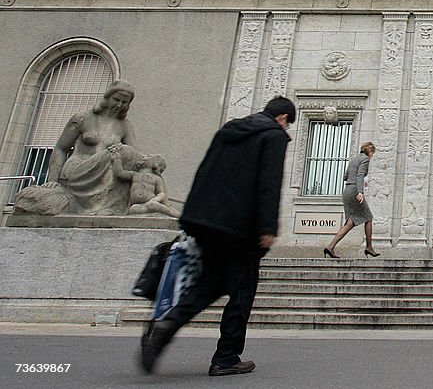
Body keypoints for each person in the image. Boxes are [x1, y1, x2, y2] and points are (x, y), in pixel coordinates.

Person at [139, 96, 295, 377]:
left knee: (209, 284)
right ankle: (226, 357)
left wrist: (191, 217)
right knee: (241, 292)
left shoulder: (229, 130)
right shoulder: (273, 136)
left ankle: (167, 324)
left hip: (206, 222)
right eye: (287, 124)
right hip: (240, 230)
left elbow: (204, 172)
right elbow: (268, 184)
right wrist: (268, 228)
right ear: (283, 118)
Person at [49, 80, 138, 214]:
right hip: (79, 171)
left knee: (126, 154)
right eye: (116, 99)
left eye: (124, 102)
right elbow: (61, 148)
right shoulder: (82, 118)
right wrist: (52, 180)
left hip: (106, 174)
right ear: (108, 97)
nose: (119, 105)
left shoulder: (125, 125)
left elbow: (132, 156)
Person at [323, 142, 379, 258]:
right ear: (369, 151)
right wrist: (360, 191)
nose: (372, 155)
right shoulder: (365, 159)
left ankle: (330, 247)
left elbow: (345, 176)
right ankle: (369, 247)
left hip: (347, 190)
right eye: (372, 153)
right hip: (354, 190)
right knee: (368, 218)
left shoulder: (354, 160)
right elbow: (360, 175)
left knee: (350, 222)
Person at [113, 149, 179, 218]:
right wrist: (117, 158)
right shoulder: (134, 175)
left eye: (148, 156)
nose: (144, 158)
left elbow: (161, 193)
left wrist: (155, 199)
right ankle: (152, 214)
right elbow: (120, 174)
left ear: (155, 164)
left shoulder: (156, 178)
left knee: (153, 205)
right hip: (138, 205)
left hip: (150, 202)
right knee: (133, 210)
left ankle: (174, 214)